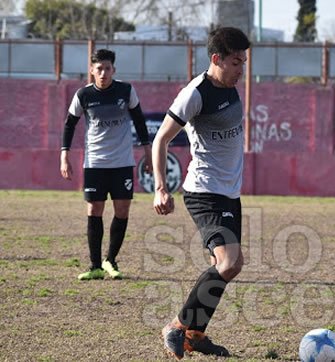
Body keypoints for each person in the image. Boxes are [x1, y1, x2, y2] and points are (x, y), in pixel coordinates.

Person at [152, 27, 250, 359]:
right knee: (228, 262)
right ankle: (176, 327)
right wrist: (161, 188)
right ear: (216, 59)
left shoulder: (231, 86)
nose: (241, 70)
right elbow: (161, 139)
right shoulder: (195, 93)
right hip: (204, 191)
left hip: (229, 193)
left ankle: (195, 334)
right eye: (236, 63)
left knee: (230, 265)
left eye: (244, 63)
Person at [60, 48, 152, 281]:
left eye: (107, 68)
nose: (103, 73)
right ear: (91, 70)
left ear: (114, 70)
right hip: (95, 163)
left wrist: (148, 153)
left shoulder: (126, 91)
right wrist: (64, 155)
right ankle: (94, 266)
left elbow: (140, 121)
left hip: (122, 163)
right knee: (94, 210)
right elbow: (69, 124)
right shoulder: (83, 95)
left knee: (122, 210)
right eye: (98, 69)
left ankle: (110, 260)